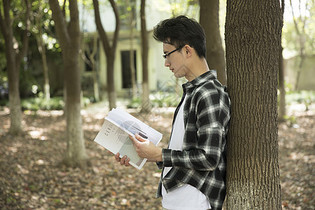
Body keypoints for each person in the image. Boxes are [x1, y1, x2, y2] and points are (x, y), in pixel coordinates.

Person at [115, 15, 231, 210]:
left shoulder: (209, 93)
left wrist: (160, 154)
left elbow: (208, 158)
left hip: (195, 203)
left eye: (167, 54)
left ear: (187, 50)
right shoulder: (192, 92)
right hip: (179, 201)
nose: (166, 63)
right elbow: (183, 152)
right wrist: (144, 153)